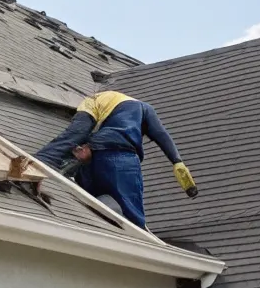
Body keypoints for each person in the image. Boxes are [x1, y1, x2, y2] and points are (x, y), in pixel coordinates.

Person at [34, 90, 197, 229]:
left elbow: (76, 134)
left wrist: (45, 159)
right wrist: (178, 162)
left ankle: (46, 168)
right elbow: (162, 135)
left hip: (92, 159)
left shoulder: (96, 101)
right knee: (132, 219)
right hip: (121, 160)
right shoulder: (144, 108)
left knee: (91, 200)